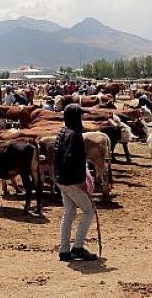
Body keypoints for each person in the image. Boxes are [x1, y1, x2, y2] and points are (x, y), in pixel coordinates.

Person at [54, 104, 98, 262]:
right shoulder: (75, 135)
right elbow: (71, 159)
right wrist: (80, 180)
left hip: (61, 179)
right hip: (72, 180)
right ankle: (78, 248)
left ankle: (64, 250)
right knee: (88, 211)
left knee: (69, 212)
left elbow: (58, 157)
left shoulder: (62, 132)